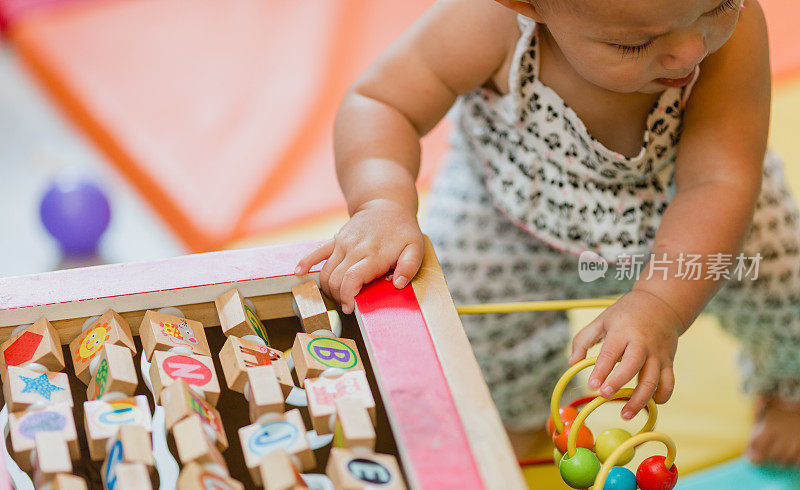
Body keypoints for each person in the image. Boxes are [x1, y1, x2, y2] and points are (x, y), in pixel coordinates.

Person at [296, 0, 800, 464]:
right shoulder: (486, 24)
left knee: (783, 281)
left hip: (691, 216)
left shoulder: (726, 34)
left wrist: (662, 301)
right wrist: (382, 203)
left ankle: (790, 386)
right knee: (461, 309)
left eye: (719, 5)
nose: (692, 48)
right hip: (510, 215)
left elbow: (718, 180)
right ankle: (514, 411)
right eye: (633, 43)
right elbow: (382, 102)